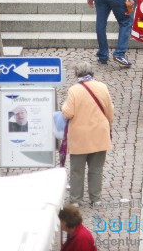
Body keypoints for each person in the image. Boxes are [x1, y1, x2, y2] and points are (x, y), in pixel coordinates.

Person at [62, 62, 114, 206]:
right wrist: (108, 126)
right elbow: (110, 111)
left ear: (77, 74)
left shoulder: (74, 90)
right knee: (96, 169)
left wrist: (62, 107)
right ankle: (95, 198)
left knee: (77, 170)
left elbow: (68, 113)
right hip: (99, 134)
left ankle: (76, 200)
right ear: (92, 73)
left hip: (80, 137)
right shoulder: (102, 87)